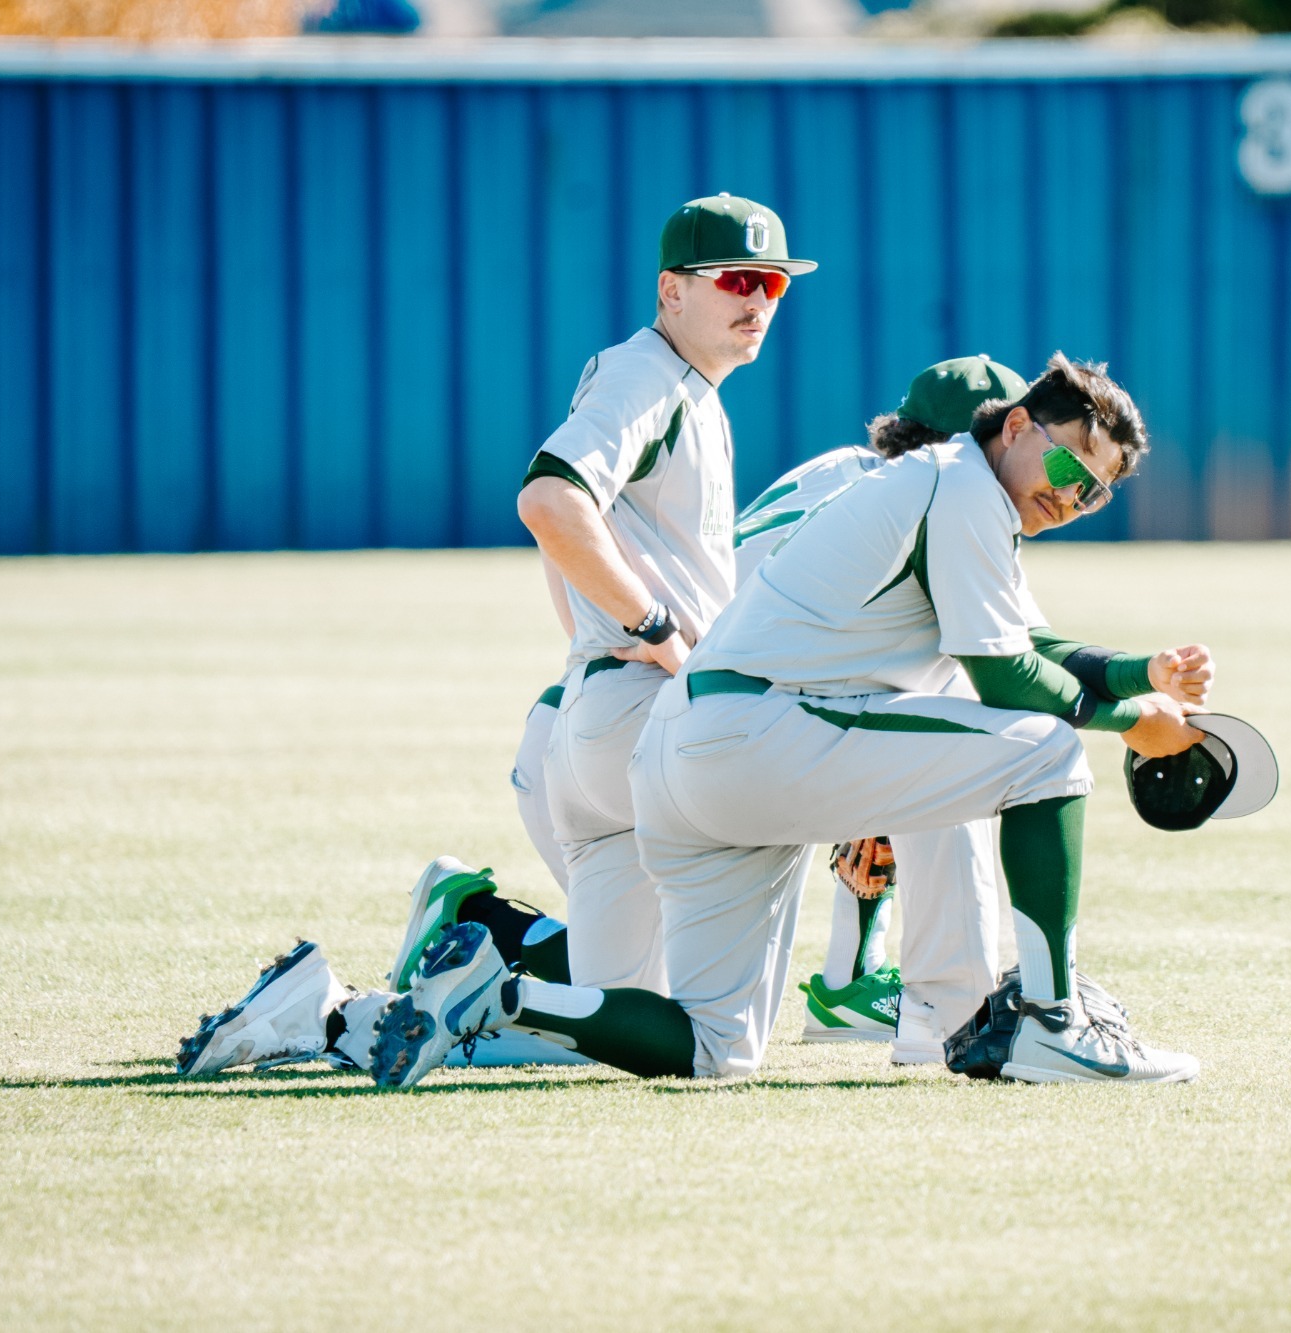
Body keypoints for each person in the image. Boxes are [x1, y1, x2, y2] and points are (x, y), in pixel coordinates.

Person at [365, 353, 1214, 1088]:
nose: (1076, 499)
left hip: (682, 743)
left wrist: (1139, 672)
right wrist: (1133, 715)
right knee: (1046, 751)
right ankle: (1048, 1017)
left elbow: (1027, 638)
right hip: (750, 731)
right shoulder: (963, 488)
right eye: (1073, 473)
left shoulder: (919, 480)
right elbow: (1003, 671)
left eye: (1097, 496)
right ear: (1018, 426)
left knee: (713, 1042)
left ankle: (500, 993)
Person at [175, 193, 811, 1077]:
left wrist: (600, 642)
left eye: (775, 282)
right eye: (737, 278)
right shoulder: (649, 376)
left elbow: (564, 531)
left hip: (605, 726)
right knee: (726, 1007)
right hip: (648, 723)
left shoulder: (677, 386)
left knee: (605, 1033)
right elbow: (549, 504)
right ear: (671, 291)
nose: (760, 300)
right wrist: (660, 634)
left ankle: (323, 1016)